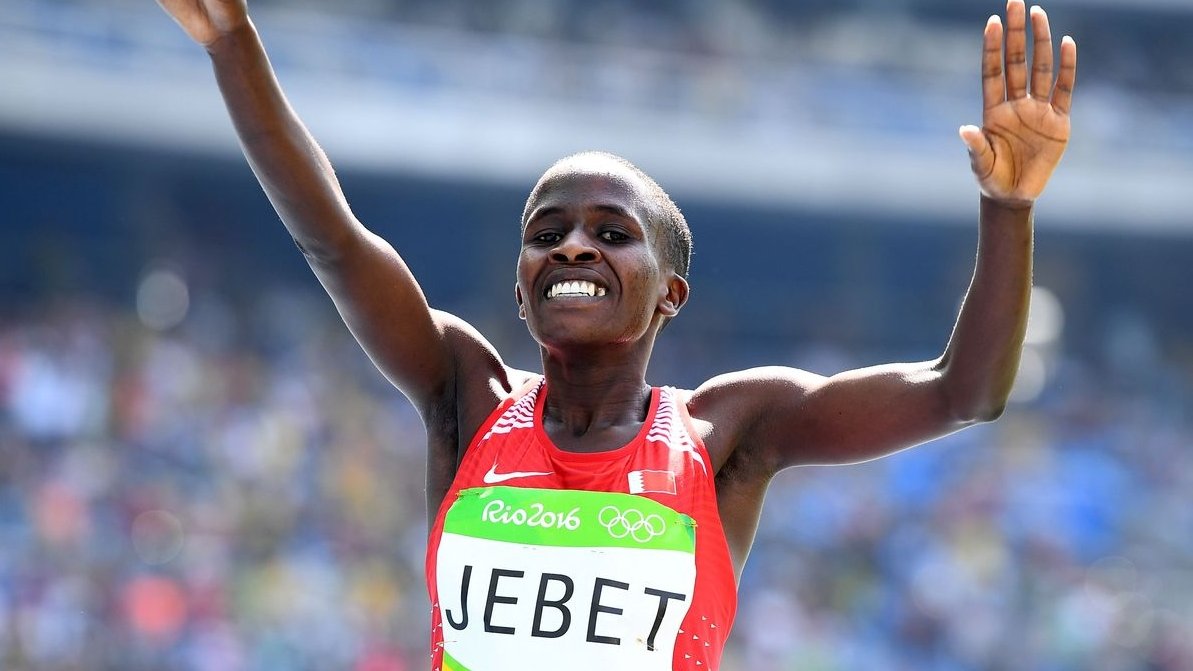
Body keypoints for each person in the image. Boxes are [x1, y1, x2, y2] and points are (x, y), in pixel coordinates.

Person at [155, 0, 1076, 668]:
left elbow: (966, 391)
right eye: (546, 234)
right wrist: (233, 40)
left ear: (669, 291)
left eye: (610, 230)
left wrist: (1005, 207)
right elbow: (332, 238)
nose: (573, 246)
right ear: (520, 290)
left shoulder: (729, 431)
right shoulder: (464, 395)